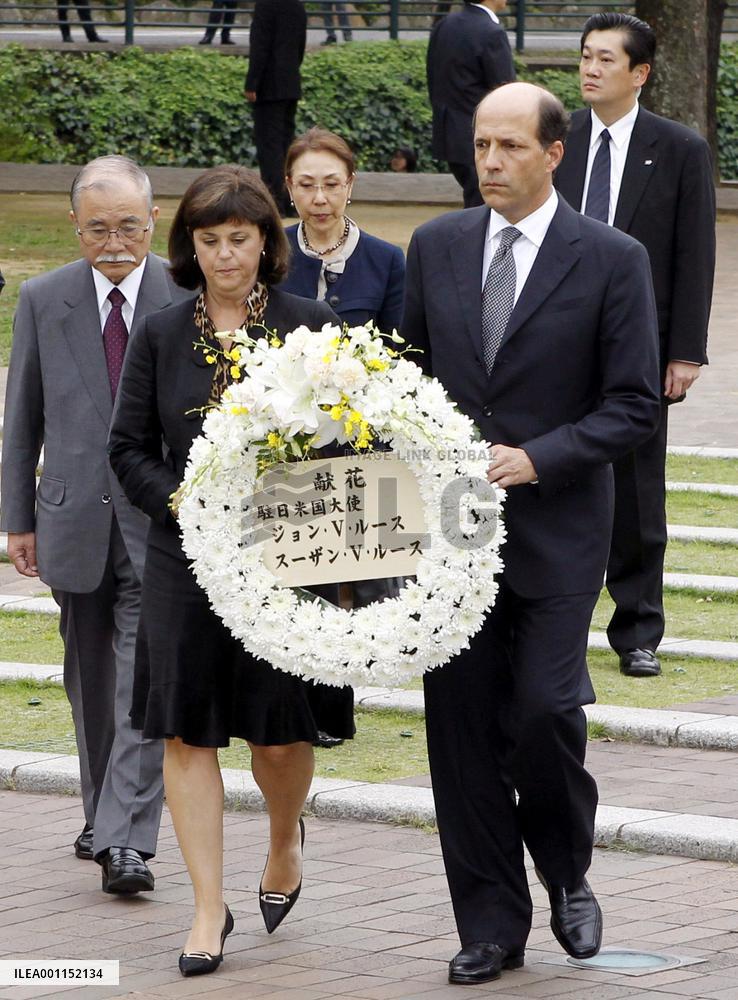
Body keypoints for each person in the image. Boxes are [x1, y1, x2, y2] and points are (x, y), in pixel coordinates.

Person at [401, 82, 661, 985]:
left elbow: (633, 405)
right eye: (481, 145)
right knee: (461, 731)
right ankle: (489, 925)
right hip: (449, 534)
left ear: (555, 153)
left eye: (510, 146)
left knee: (547, 709)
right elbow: (405, 375)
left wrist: (539, 457)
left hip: (559, 529)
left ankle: (566, 870)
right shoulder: (436, 246)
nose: (491, 162)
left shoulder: (613, 258)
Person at [108, 166, 355, 977]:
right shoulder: (159, 332)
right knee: (186, 731)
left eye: (238, 240)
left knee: (280, 737)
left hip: (287, 559)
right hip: (184, 558)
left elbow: (351, 441)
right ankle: (207, 908)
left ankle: (284, 841)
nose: (224, 255)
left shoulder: (309, 325)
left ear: (264, 243)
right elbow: (128, 448)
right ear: (189, 247)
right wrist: (183, 504)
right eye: (209, 240)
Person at [0, 155, 185, 894]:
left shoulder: (183, 293)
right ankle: (101, 815)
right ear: (74, 225)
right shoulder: (43, 298)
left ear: (155, 221)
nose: (115, 243)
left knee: (142, 677)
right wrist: (17, 519)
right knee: (90, 681)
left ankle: (126, 841)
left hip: (157, 524)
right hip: (70, 520)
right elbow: (23, 418)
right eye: (98, 228)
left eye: (130, 227)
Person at [554, 12, 716, 679]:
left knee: (639, 491)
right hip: (556, 341)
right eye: (585, 56)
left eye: (605, 59)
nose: (590, 69)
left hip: (639, 344)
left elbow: (694, 253)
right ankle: (555, 623)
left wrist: (686, 351)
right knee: (552, 477)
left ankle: (638, 629)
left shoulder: (678, 149)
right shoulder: (555, 138)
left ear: (640, 72)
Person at [281, 128, 405, 335]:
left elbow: (396, 344)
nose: (320, 199)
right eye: (306, 185)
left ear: (349, 185)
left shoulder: (386, 260)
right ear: (290, 187)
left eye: (331, 184)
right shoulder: (271, 251)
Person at [427, 0, 515, 208]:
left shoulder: (445, 24)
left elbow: (433, 77)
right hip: (483, 138)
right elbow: (507, 93)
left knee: (476, 200)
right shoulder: (491, 32)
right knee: (483, 206)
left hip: (449, 131)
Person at [245, 0, 307, 216]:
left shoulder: (265, 5)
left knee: (269, 147)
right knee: (287, 146)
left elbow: (260, 46)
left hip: (269, 86)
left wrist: (252, 83)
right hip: (291, 83)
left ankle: (274, 202)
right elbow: (300, 46)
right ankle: (291, 200)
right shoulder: (297, 5)